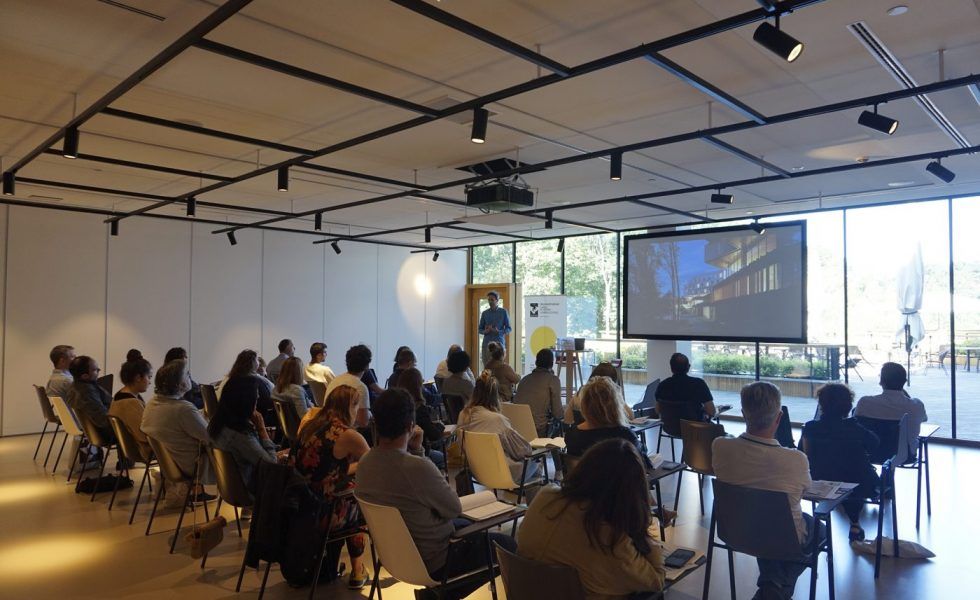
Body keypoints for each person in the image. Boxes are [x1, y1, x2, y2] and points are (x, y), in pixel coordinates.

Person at [356, 388, 516, 600]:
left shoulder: (364, 464)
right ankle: (441, 594)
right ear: (410, 426)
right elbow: (452, 508)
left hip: (393, 556)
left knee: (470, 528)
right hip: (438, 559)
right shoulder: (416, 468)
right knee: (508, 546)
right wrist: (420, 453)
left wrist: (416, 452)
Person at [518, 438, 665, 599]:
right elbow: (656, 579)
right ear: (631, 492)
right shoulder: (610, 537)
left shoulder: (546, 497)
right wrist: (643, 528)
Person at [712, 382, 814, 600]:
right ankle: (775, 587)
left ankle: (771, 584)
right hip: (783, 538)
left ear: (743, 414)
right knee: (818, 530)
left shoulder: (719, 447)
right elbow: (806, 490)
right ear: (779, 418)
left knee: (764, 524)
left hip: (736, 531)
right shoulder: (796, 460)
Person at [294, 385, 371, 589]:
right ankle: (358, 569)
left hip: (302, 504)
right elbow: (375, 464)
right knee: (361, 502)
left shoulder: (311, 424)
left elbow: (326, 468)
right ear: (349, 408)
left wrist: (351, 467)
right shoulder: (346, 434)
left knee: (351, 491)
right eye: (356, 407)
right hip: (324, 511)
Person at [800, 383, 880, 541]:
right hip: (858, 484)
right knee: (854, 476)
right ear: (848, 406)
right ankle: (855, 523)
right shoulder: (854, 428)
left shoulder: (810, 428)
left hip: (819, 480)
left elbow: (802, 453)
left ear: (821, 404)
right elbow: (874, 443)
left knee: (839, 476)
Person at [141, 359, 215, 506]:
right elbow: (211, 437)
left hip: (169, 463)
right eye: (187, 374)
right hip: (194, 465)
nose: (190, 377)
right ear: (179, 384)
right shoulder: (183, 409)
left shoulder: (152, 404)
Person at [457, 371, 534, 482]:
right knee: (538, 463)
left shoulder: (463, 415)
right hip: (504, 473)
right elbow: (522, 450)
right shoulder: (497, 420)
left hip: (477, 472)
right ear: (496, 396)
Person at [208, 375, 277, 490]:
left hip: (227, 486)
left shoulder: (216, 425)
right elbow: (271, 466)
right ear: (246, 402)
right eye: (256, 399)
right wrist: (262, 430)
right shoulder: (240, 435)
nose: (257, 403)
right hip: (250, 489)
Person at [854, 362, 928, 454]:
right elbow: (924, 419)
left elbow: (856, 422)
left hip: (870, 453)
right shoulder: (916, 405)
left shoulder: (864, 402)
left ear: (881, 382)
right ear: (904, 382)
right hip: (905, 455)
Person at [396, 367, 446, 467]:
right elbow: (433, 435)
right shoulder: (419, 408)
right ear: (418, 386)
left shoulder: (396, 405)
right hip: (417, 452)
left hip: (398, 452)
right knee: (444, 458)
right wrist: (440, 426)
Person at [108, 356, 153, 459]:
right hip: (143, 450)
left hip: (131, 448)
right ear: (138, 378)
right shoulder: (130, 403)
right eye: (149, 377)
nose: (150, 382)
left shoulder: (119, 395)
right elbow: (144, 435)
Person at [218, 349, 275, 426]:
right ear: (252, 363)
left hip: (228, 418)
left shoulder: (231, 378)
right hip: (248, 419)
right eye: (257, 360)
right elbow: (270, 396)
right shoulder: (253, 379)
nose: (259, 362)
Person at [564, 362, 634, 425]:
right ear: (612, 382)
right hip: (607, 437)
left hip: (581, 436)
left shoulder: (578, 394)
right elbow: (630, 415)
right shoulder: (610, 400)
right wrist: (619, 397)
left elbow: (567, 419)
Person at [514, 348, 563, 437]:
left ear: (536, 362)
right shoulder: (553, 380)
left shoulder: (524, 380)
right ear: (552, 363)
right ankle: (554, 450)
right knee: (560, 423)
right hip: (539, 429)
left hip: (517, 428)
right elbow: (558, 413)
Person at [654, 352, 716, 421]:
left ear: (671, 368)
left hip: (670, 429)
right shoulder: (699, 384)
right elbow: (711, 411)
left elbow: (657, 410)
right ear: (688, 367)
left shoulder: (662, 385)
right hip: (694, 428)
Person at [66, 355, 113, 441]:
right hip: (103, 433)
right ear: (85, 376)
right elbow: (104, 420)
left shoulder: (75, 387)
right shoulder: (87, 393)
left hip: (92, 431)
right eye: (95, 370)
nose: (99, 370)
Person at [325, 345, 373, 427]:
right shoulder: (360, 387)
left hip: (328, 427)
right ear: (367, 366)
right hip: (346, 432)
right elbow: (363, 422)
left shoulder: (335, 380)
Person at [478, 290, 511, 367]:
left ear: (497, 300)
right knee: (487, 366)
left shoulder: (503, 312)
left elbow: (509, 328)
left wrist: (498, 332)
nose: (490, 302)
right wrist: (485, 331)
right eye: (489, 300)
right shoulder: (484, 313)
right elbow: (480, 329)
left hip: (499, 345)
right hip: (487, 344)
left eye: (492, 300)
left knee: (499, 367)